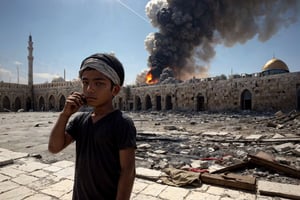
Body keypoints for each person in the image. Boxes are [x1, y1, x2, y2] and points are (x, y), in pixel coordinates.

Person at [48, 53, 137, 200]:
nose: (89, 89)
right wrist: (64, 116)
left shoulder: (122, 123)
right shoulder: (80, 120)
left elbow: (128, 171)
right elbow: (54, 148)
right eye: (85, 82)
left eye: (98, 83)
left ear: (115, 90)